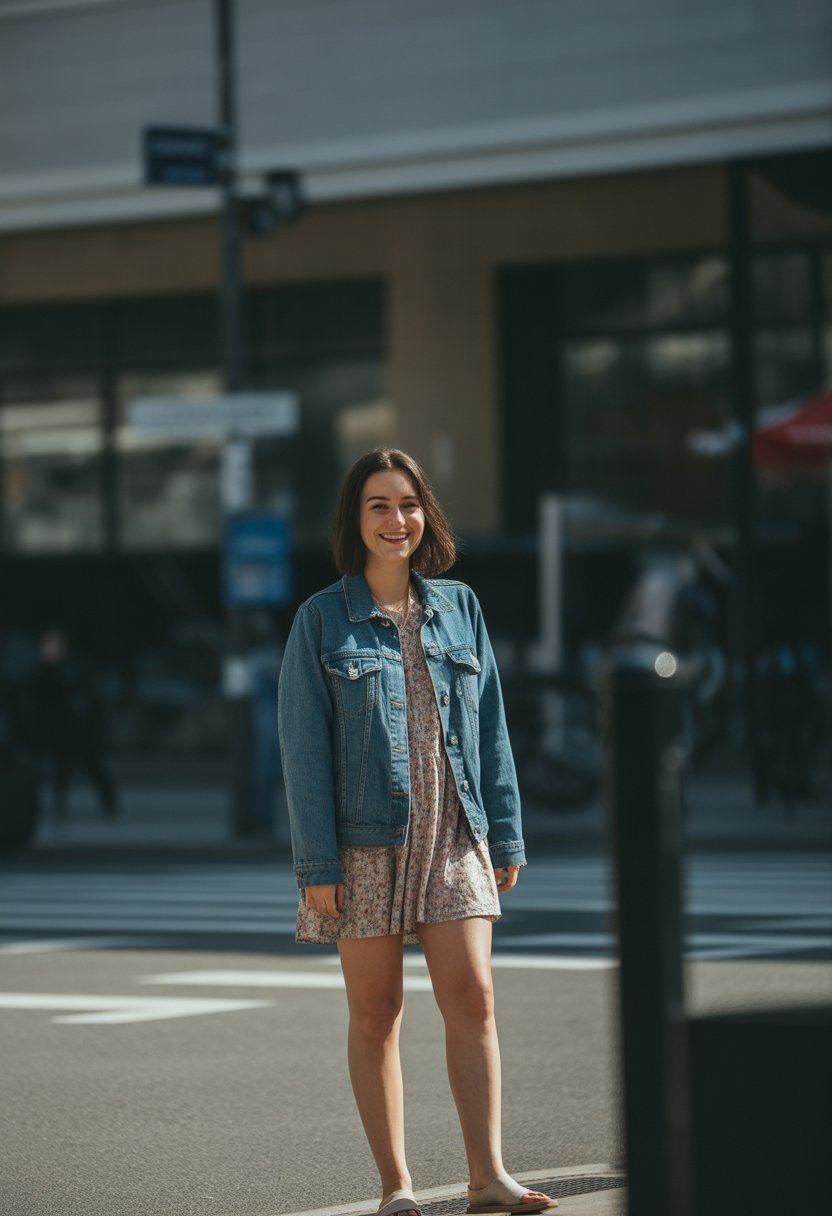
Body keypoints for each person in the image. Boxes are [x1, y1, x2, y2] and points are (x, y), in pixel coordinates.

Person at [278, 448, 556, 1216]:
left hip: (455, 831)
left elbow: (491, 724)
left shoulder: (460, 608)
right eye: (377, 505)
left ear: (425, 514)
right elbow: (302, 750)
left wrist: (505, 834)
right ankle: (396, 1186)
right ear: (355, 520)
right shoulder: (321, 620)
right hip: (363, 842)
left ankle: (487, 1177)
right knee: (377, 1015)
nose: (395, 520)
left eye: (407, 504)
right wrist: (316, 863)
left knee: (474, 996)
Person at [30, 628, 117, 824]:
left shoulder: (74, 669)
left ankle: (109, 806)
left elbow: (87, 699)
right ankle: (60, 810)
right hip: (65, 732)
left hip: (79, 733)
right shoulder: (48, 671)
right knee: (64, 772)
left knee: (92, 770)